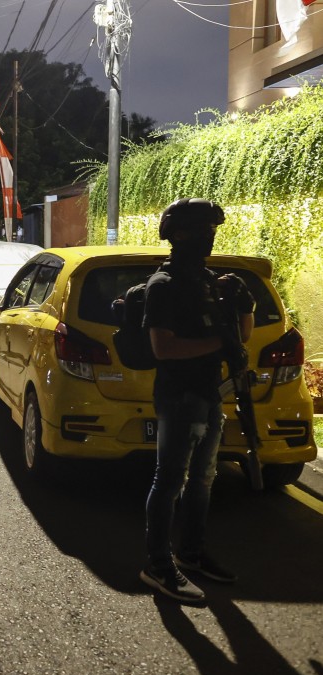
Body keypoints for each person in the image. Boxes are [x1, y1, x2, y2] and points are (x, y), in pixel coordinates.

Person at [140, 198, 254, 605]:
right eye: (201, 228)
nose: (209, 236)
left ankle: (190, 553)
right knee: (169, 481)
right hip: (179, 396)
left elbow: (243, 337)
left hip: (209, 395)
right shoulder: (164, 286)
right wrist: (218, 342)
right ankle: (157, 565)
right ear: (178, 233)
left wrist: (243, 306)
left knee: (203, 480)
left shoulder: (207, 281)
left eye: (212, 228)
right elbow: (163, 349)